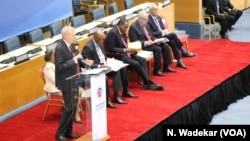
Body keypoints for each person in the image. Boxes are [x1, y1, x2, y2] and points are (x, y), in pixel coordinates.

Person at [81, 30, 138, 106]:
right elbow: (87, 64)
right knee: (109, 75)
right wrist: (99, 66)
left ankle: (123, 92)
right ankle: (107, 100)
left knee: (121, 68)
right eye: (102, 39)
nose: (103, 41)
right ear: (96, 38)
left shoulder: (100, 43)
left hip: (105, 65)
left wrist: (112, 61)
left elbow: (104, 57)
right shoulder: (88, 47)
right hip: (96, 69)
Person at [106, 17, 164, 90]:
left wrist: (131, 49)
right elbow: (111, 48)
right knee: (136, 63)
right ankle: (148, 83)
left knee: (142, 60)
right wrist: (125, 50)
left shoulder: (121, 31)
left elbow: (124, 43)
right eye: (125, 27)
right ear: (120, 25)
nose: (126, 29)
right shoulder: (113, 33)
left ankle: (146, 82)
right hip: (118, 55)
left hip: (127, 53)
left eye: (127, 27)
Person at [54, 26, 85, 141]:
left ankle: (68, 130)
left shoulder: (71, 45)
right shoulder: (60, 48)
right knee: (69, 107)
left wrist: (83, 61)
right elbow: (61, 66)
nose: (75, 37)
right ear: (66, 36)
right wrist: (74, 60)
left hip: (75, 79)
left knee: (73, 106)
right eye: (73, 35)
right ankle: (60, 133)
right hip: (66, 82)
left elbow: (77, 57)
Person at [128, 10, 178, 75]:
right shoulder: (133, 27)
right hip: (142, 47)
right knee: (157, 49)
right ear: (139, 18)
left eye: (146, 19)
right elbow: (134, 42)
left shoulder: (145, 25)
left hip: (151, 43)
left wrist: (156, 40)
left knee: (165, 46)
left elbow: (150, 35)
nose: (146, 21)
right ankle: (157, 70)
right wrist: (146, 43)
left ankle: (166, 66)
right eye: (145, 20)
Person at [43, 49, 82, 124]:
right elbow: (55, 80)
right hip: (55, 88)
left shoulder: (57, 63)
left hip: (63, 84)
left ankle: (74, 112)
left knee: (77, 89)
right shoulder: (48, 67)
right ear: (51, 56)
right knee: (74, 92)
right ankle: (76, 115)